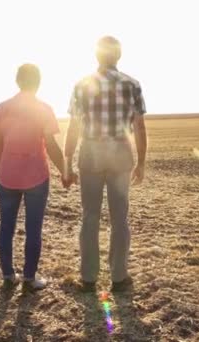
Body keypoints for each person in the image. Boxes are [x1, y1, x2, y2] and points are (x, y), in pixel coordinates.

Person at [64, 36, 148, 292]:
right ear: (118, 56)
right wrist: (141, 161)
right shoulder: (132, 84)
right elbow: (139, 127)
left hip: (90, 153)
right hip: (121, 153)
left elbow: (74, 127)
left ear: (97, 56)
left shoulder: (82, 85)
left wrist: (67, 161)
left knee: (89, 216)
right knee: (119, 218)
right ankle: (119, 277)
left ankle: (89, 279)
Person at [0, 63, 68, 291]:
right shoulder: (43, 108)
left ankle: (7, 274)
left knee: (6, 226)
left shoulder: (1, 108)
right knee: (34, 228)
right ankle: (29, 278)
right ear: (38, 82)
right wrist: (64, 170)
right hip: (36, 175)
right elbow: (51, 144)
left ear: (17, 81)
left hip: (7, 175)